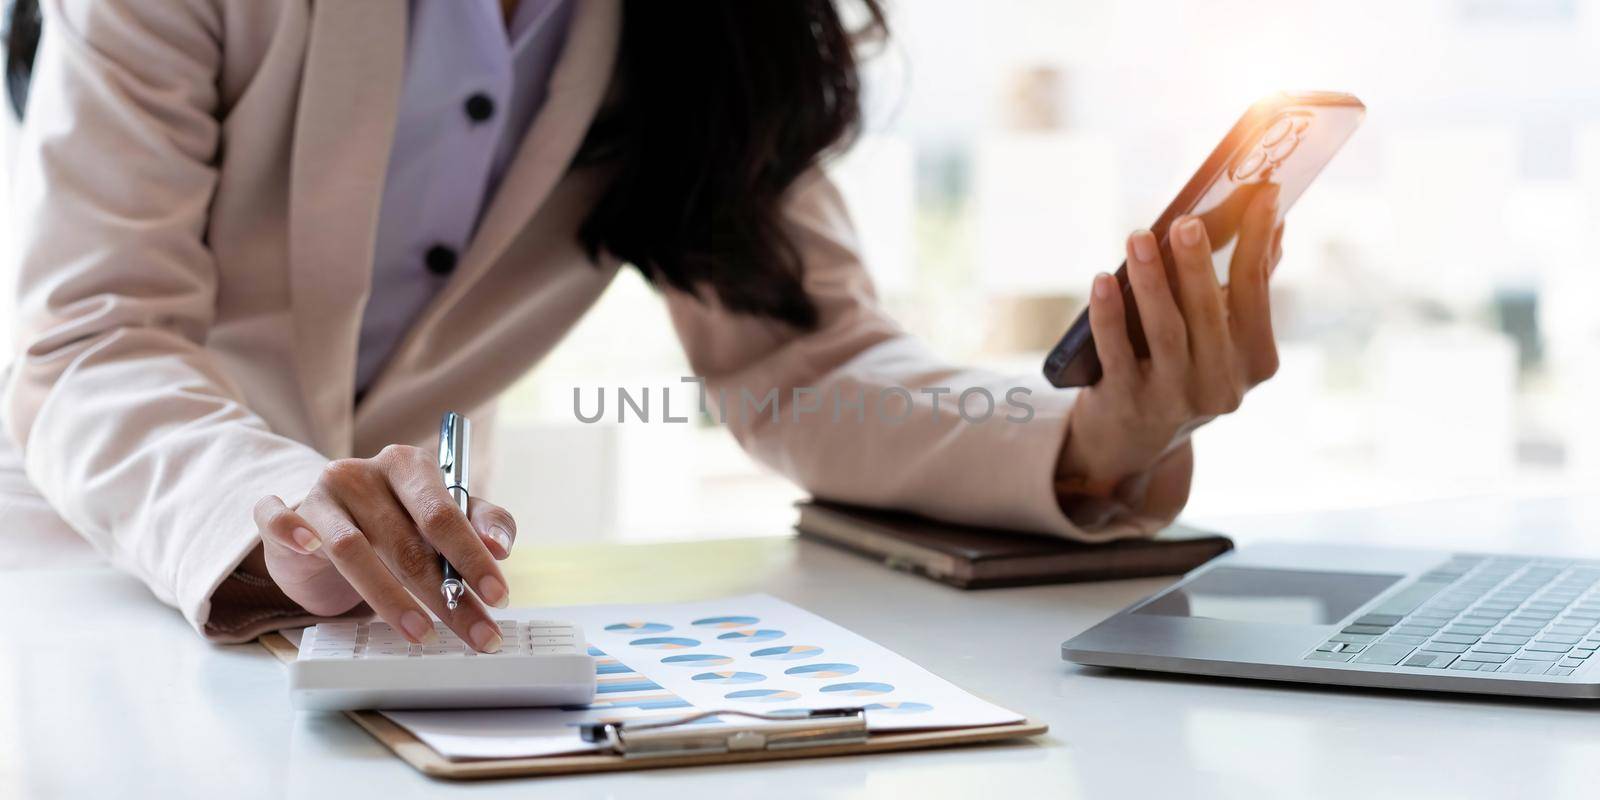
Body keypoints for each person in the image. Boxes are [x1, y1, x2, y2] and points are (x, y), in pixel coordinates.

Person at [0, 0, 1282, 651]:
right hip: (108, 565)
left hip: (404, 632)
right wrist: (276, 504)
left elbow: (804, 356)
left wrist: (1083, 432)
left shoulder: (707, 26)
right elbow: (91, 336)